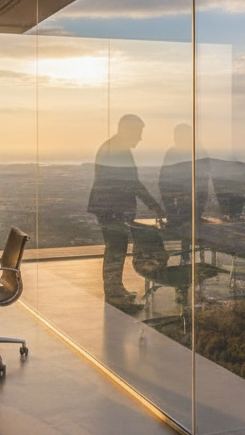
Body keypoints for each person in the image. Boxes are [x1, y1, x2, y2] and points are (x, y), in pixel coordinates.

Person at [88, 114, 164, 307]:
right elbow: (133, 183)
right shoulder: (117, 150)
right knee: (116, 248)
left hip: (109, 208)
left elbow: (130, 183)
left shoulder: (114, 147)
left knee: (116, 248)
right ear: (128, 130)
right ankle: (113, 293)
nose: (140, 137)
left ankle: (115, 289)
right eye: (138, 132)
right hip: (112, 209)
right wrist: (154, 205)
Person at [158, 122, 208, 264]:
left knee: (186, 230)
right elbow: (164, 182)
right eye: (175, 136)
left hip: (188, 207)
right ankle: (186, 260)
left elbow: (203, 186)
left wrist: (172, 211)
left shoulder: (194, 154)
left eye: (177, 136)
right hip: (184, 207)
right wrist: (171, 210)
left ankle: (186, 260)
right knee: (186, 230)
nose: (175, 139)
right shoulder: (197, 153)